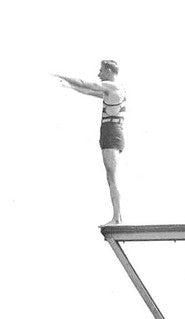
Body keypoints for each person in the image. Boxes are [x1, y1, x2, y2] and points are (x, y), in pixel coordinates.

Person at [54, 59, 125, 225]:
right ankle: (117, 216)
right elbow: (87, 91)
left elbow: (85, 83)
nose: (99, 74)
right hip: (109, 132)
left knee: (112, 177)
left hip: (112, 133)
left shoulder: (112, 86)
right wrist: (68, 86)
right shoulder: (110, 90)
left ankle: (117, 217)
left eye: (101, 70)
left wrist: (61, 75)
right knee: (110, 177)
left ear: (109, 70)